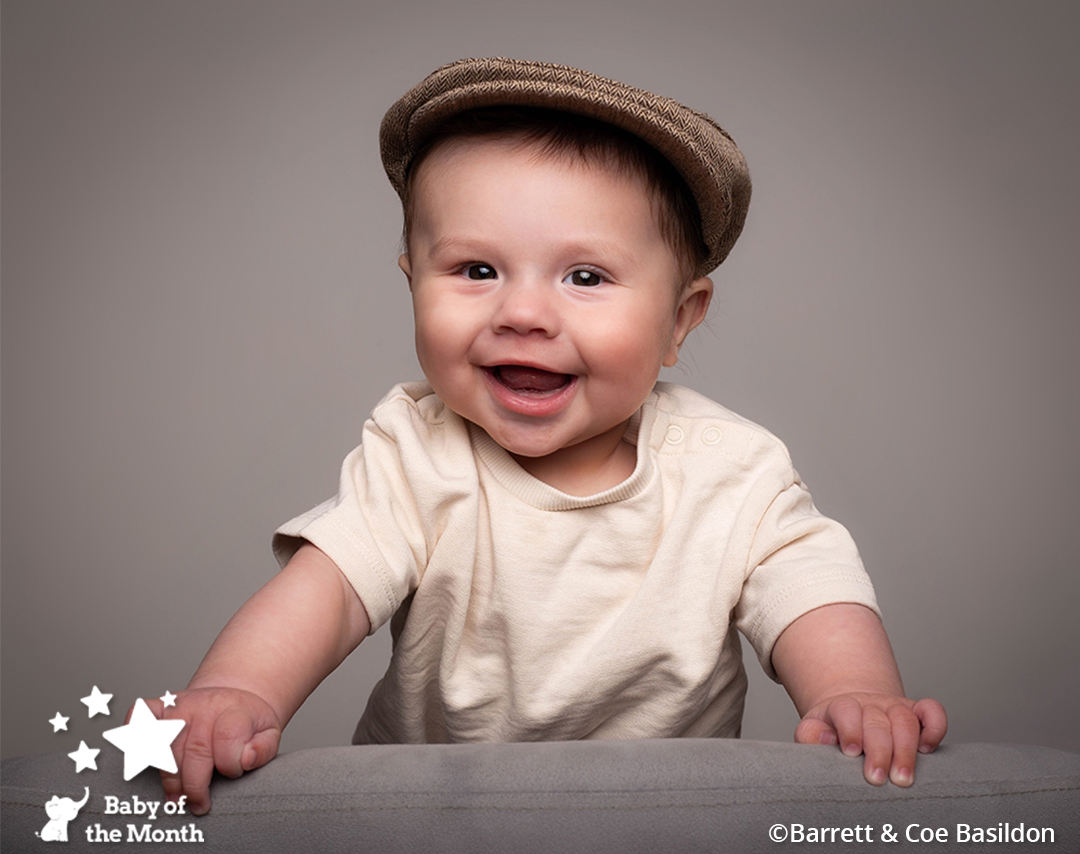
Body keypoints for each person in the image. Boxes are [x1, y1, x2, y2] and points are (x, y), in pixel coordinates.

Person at [148, 58, 946, 815]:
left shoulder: (731, 469)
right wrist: (238, 691)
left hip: (666, 821)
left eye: (585, 277)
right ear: (412, 285)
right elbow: (326, 591)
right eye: (476, 270)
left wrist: (854, 693)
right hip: (431, 819)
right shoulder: (418, 453)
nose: (524, 313)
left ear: (679, 320)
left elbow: (809, 588)